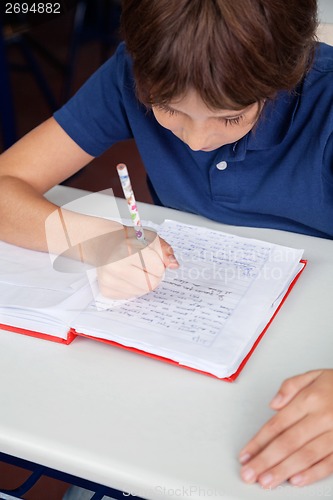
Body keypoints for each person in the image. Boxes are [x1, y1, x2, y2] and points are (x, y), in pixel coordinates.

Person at [0, 0, 332, 490]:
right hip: (180, 361)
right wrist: (93, 240)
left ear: (285, 77)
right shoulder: (130, 74)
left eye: (231, 117)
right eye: (168, 110)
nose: (196, 141)